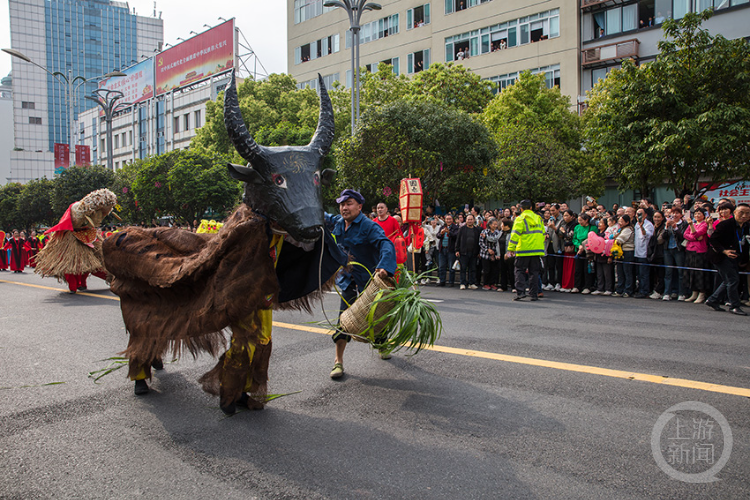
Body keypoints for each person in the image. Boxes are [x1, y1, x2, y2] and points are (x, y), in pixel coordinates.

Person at [326, 189, 397, 379]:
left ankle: (381, 342)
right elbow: (320, 217)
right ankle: (338, 362)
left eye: (348, 203)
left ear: (359, 206)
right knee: (343, 320)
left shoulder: (369, 226)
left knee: (374, 318)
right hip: (347, 280)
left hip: (368, 282)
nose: (344, 208)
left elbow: (386, 244)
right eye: (342, 204)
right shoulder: (338, 223)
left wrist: (384, 266)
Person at [705, 204, 750, 315]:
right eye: (741, 212)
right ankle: (734, 305)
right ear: (734, 213)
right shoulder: (725, 225)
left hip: (734, 256)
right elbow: (713, 240)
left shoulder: (746, 226)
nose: (744, 215)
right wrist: (724, 251)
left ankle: (713, 300)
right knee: (733, 279)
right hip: (719, 256)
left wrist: (744, 259)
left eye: (747, 213)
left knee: (728, 280)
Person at [506, 200, 545, 301]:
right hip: (537, 250)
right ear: (531, 208)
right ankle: (534, 294)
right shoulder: (539, 218)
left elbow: (514, 235)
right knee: (534, 273)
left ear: (521, 209)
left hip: (523, 249)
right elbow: (543, 233)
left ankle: (520, 292)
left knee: (519, 271)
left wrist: (511, 248)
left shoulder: (520, 219)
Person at [682, 208, 710, 304]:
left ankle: (702, 294)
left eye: (699, 214)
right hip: (690, 249)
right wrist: (695, 238)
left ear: (704, 215)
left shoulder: (704, 225)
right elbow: (685, 235)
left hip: (700, 251)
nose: (697, 216)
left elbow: (697, 233)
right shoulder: (693, 224)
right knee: (691, 272)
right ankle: (694, 292)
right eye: (696, 214)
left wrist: (692, 229)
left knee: (700, 273)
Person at [661, 207, 688, 301]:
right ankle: (667, 292)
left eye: (677, 213)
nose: (675, 215)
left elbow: (683, 237)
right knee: (668, 272)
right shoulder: (667, 222)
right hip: (668, 249)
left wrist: (675, 228)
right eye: (673, 213)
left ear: (681, 215)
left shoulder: (684, 224)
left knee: (681, 272)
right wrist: (666, 227)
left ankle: (681, 293)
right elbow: (663, 237)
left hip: (678, 249)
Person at [633, 208, 654, 298]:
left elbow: (647, 235)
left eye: (641, 214)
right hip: (637, 252)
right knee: (638, 274)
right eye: (637, 214)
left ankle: (644, 291)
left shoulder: (648, 224)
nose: (638, 216)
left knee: (643, 273)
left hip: (644, 253)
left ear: (645, 215)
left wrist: (642, 226)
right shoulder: (636, 224)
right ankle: (640, 289)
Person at [455, 214, 481, 290]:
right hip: (463, 252)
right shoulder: (462, 229)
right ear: (466, 220)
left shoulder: (477, 230)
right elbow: (458, 240)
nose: (469, 221)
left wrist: (479, 252)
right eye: (468, 219)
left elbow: (478, 242)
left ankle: (471, 283)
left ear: (474, 220)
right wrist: (457, 250)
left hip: (474, 252)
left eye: (471, 219)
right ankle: (462, 283)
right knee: (463, 269)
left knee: (472, 268)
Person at [573, 213, 596, 294]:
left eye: (581, 220)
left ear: (586, 220)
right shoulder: (577, 227)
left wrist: (584, 245)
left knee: (587, 269)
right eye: (578, 220)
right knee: (578, 269)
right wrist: (579, 246)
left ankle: (587, 286)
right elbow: (574, 238)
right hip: (579, 250)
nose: (579, 222)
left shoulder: (593, 228)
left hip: (588, 250)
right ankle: (577, 286)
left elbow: (594, 238)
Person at [613, 215, 635, 297]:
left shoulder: (628, 229)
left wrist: (614, 240)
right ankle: (619, 289)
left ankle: (628, 290)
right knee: (620, 272)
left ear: (627, 222)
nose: (620, 223)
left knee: (627, 272)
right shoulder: (621, 229)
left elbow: (620, 240)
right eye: (619, 221)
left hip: (627, 251)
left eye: (622, 221)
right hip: (620, 252)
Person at [648, 211, 667, 299]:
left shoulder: (664, 227)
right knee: (654, 273)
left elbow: (660, 240)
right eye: (655, 217)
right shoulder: (653, 227)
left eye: (658, 217)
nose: (656, 219)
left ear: (663, 218)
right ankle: (654, 289)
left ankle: (659, 291)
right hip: (653, 252)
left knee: (661, 274)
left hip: (661, 253)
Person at [479, 218, 501, 290]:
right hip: (485, 254)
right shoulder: (484, 232)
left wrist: (494, 251)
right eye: (494, 224)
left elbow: (496, 240)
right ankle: (485, 283)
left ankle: (492, 283)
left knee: (494, 270)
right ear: (490, 225)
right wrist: (487, 250)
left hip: (494, 253)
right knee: (486, 270)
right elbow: (481, 243)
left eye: (496, 224)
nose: (495, 225)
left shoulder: (498, 232)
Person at [437, 214, 457, 287]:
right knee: (441, 266)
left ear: (452, 220)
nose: (448, 220)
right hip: (442, 249)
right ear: (445, 220)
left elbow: (456, 236)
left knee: (451, 267)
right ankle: (442, 281)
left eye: (450, 219)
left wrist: (449, 232)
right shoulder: (442, 227)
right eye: (447, 219)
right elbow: (438, 236)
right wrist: (441, 233)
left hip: (450, 249)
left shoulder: (455, 227)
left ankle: (451, 282)